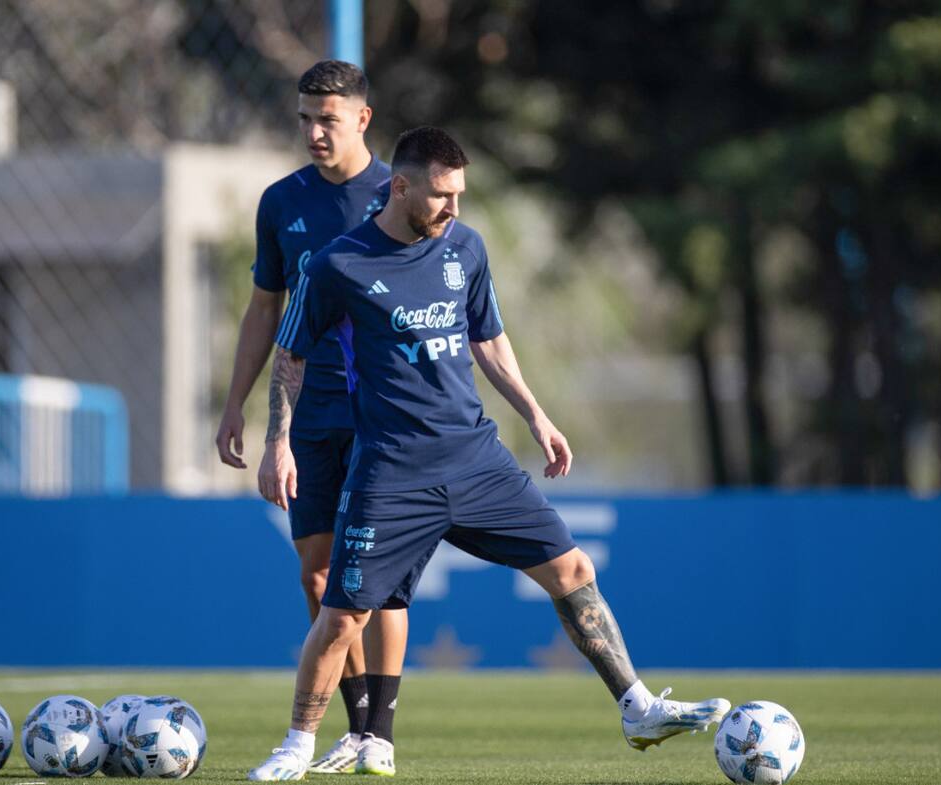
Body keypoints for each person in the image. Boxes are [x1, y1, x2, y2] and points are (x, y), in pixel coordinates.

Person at [247, 126, 730, 782]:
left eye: (461, 195)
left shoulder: (465, 249)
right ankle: (297, 746)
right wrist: (278, 440)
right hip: (391, 471)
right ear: (402, 186)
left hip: (478, 460)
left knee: (573, 569)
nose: (454, 209)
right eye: (442, 195)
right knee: (343, 615)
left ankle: (637, 706)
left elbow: (489, 338)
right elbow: (292, 351)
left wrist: (535, 413)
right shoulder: (339, 264)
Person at [215, 59, 408, 776]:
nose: (313, 131)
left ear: (362, 117)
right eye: (304, 118)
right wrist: (241, 404)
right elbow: (266, 306)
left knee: (376, 580)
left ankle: (377, 730)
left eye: (327, 118)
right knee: (319, 580)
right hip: (310, 411)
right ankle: (357, 726)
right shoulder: (282, 201)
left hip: (384, 415)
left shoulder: (401, 192)